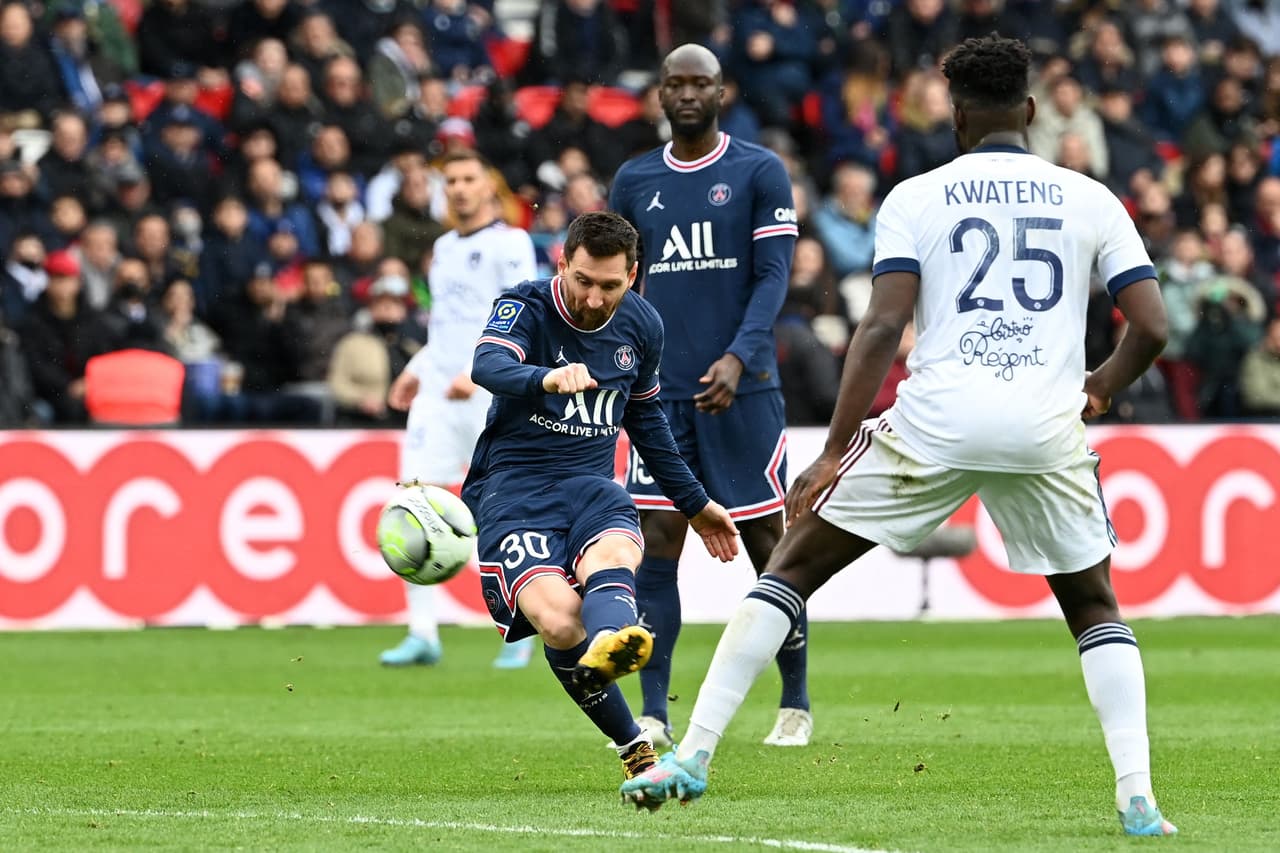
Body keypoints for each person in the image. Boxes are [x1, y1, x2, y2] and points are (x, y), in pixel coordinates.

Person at [621, 35, 1180, 839]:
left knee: (790, 570)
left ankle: (695, 754)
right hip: (1042, 425)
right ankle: (1138, 797)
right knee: (1094, 606)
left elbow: (883, 326)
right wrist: (1098, 386)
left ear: (956, 117)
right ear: (1029, 111)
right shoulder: (1090, 196)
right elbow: (1152, 326)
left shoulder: (918, 196)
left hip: (937, 422)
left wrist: (832, 449)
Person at [460, 209, 739, 786]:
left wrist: (694, 502)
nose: (593, 299)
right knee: (561, 624)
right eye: (582, 280)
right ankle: (634, 745)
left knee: (614, 556)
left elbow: (646, 420)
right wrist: (544, 377)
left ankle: (612, 640)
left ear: (633, 276)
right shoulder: (526, 304)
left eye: (610, 286)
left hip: (593, 488)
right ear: (562, 262)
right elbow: (487, 365)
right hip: (514, 491)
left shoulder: (642, 324)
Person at [608, 44, 805, 748]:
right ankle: (654, 712)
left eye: (701, 83)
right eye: (675, 83)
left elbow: (773, 276)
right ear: (660, 94)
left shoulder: (759, 170)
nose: (688, 94)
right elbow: (622, 286)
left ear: (723, 92)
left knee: (769, 546)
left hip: (743, 390)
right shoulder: (634, 180)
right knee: (658, 542)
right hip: (659, 395)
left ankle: (795, 701)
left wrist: (738, 357)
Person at [378, 149, 540, 670]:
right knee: (412, 505)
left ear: (489, 187)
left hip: (489, 394)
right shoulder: (444, 248)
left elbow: (526, 315)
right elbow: (447, 322)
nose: (460, 188)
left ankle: (521, 626)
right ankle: (422, 633)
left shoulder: (511, 243)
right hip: (436, 396)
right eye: (451, 180)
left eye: (470, 178)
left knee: (502, 508)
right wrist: (418, 366)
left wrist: (479, 369)